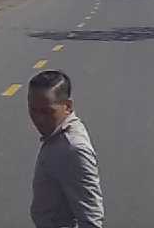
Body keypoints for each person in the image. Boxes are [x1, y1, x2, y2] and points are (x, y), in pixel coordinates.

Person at [27, 70, 104, 228]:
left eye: (47, 111)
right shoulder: (57, 134)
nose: (38, 119)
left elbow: (91, 218)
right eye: (33, 110)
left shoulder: (73, 149)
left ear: (67, 106)